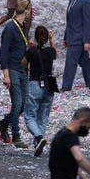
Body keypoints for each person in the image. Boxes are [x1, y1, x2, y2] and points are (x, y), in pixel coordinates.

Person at [0, 0, 31, 148]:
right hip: (12, 69)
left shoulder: (23, 26)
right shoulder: (10, 28)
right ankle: (16, 135)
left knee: (23, 104)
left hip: (23, 69)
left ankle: (4, 123)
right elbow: (3, 52)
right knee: (17, 103)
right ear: (26, 10)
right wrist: (6, 74)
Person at [22, 25, 57, 157]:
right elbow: (55, 53)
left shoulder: (31, 51)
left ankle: (38, 137)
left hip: (35, 84)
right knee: (43, 116)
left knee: (30, 115)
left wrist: (29, 46)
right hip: (49, 86)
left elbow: (23, 64)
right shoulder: (50, 51)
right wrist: (51, 40)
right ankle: (38, 144)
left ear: (36, 37)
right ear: (47, 38)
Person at [61, 0, 90, 91]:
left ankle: (66, 87)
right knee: (85, 62)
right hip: (72, 37)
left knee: (70, 63)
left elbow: (88, 22)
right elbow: (69, 21)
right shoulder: (72, 0)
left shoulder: (86, 2)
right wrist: (66, 37)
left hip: (79, 38)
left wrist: (87, 40)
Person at [49, 107, 90, 179]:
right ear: (83, 121)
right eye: (88, 128)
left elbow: (67, 161)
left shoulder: (61, 133)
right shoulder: (70, 136)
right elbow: (79, 158)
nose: (87, 131)